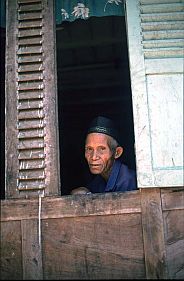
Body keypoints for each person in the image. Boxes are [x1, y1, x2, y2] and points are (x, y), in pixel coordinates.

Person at [71, 116, 137, 194]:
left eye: (102, 149)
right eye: (89, 149)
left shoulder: (128, 182)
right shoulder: (101, 178)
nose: (93, 157)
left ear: (117, 153)